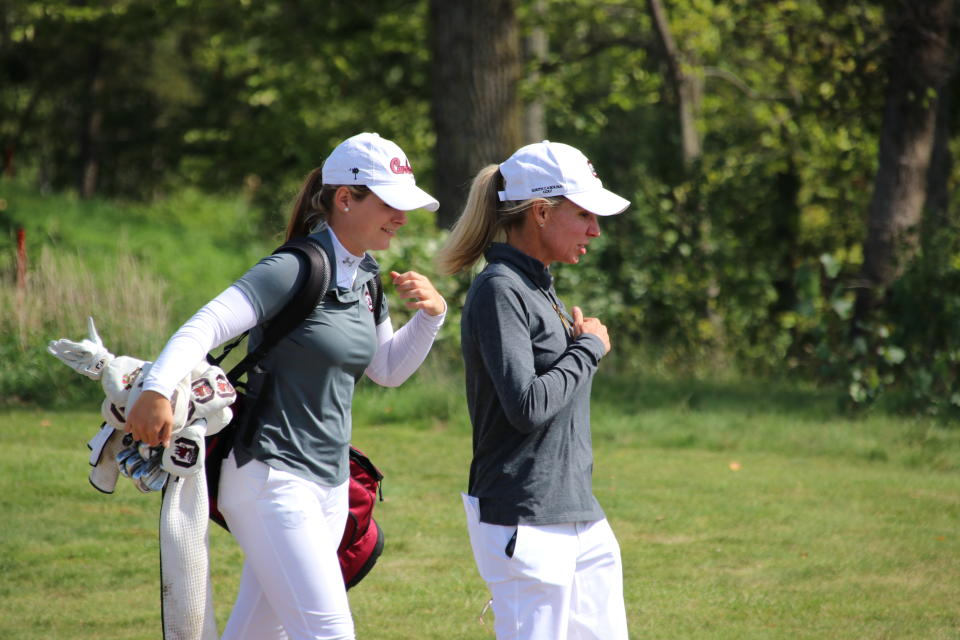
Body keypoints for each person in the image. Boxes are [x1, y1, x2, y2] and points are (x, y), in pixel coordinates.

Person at [126, 132, 446, 640]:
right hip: (271, 479)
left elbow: (386, 370)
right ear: (346, 199)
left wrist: (431, 317)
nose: (403, 218)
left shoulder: (367, 275)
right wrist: (157, 390)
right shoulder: (294, 267)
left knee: (260, 634)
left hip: (330, 483)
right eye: (391, 203)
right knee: (329, 633)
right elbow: (204, 325)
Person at [437, 140, 630, 640]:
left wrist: (579, 348)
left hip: (577, 513)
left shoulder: (538, 285)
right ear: (542, 212)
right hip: (526, 519)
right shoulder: (500, 288)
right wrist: (588, 350)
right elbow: (526, 406)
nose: (596, 229)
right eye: (585, 214)